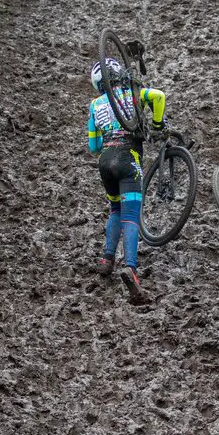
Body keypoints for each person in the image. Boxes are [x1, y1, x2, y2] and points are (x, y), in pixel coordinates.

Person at [87, 57, 166, 301]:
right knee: (131, 215)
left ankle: (106, 259)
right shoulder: (132, 93)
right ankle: (130, 269)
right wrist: (157, 123)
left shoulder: (95, 104)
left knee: (115, 209)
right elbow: (159, 96)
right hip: (129, 157)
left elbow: (93, 145)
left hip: (105, 160)